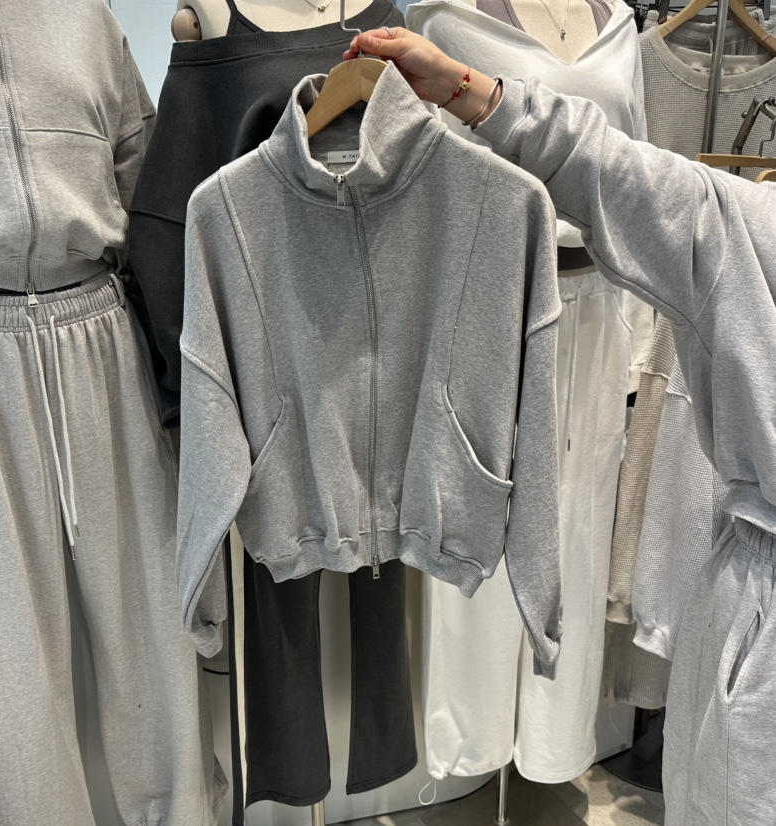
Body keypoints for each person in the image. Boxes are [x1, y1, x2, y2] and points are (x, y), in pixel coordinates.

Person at [344, 26, 776, 826]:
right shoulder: (754, 230)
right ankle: (474, 745)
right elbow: (619, 164)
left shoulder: (615, 29)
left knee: (576, 528)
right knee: (480, 534)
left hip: (602, 309)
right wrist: (466, 87)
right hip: (499, 293)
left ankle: (550, 742)